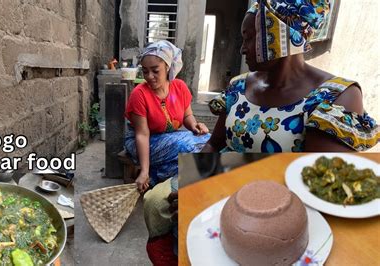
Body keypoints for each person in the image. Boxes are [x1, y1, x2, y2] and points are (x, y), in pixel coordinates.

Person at [203, 0, 379, 153]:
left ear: (280, 35)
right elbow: (213, 145)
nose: (242, 49)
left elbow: (314, 187)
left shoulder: (335, 97)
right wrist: (191, 182)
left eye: (249, 38)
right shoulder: (238, 86)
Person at [124, 40, 210, 192]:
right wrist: (143, 170)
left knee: (209, 140)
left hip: (169, 137)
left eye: (155, 70)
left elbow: (187, 115)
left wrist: (194, 126)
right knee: (186, 147)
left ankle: (157, 175)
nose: (149, 76)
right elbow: (142, 134)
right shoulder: (139, 94)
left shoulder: (179, 87)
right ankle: (152, 174)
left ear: (168, 67)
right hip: (143, 143)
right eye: (145, 71)